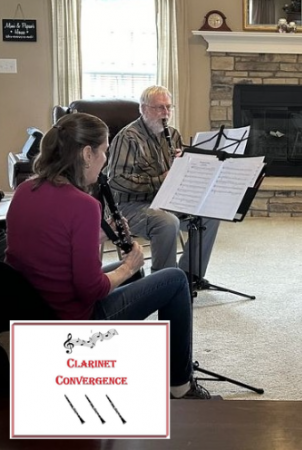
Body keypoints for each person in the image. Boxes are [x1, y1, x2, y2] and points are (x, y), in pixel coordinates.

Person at [5, 113, 211, 399]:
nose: (106, 159)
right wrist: (128, 266)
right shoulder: (84, 205)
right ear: (87, 154)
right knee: (174, 279)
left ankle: (121, 358)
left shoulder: (25, 190)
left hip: (34, 306)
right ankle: (180, 386)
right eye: (104, 151)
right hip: (71, 319)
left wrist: (98, 236)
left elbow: (50, 244)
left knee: (137, 276)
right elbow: (90, 288)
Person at [106, 85, 219, 289]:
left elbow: (177, 176)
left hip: (165, 199)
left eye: (168, 107)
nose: (165, 113)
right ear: (143, 109)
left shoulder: (173, 135)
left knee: (209, 213)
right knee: (167, 222)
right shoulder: (128, 137)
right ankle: (162, 284)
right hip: (130, 206)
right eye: (159, 107)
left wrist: (185, 165)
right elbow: (116, 179)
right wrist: (160, 179)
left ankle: (189, 275)